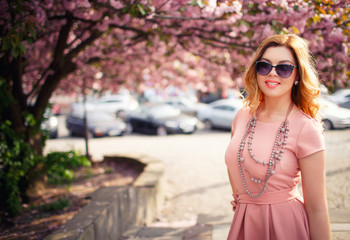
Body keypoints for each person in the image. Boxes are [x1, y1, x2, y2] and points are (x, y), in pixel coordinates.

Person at [225, 34, 331, 240]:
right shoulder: (242, 115)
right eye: (264, 65)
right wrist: (241, 197)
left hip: (286, 226)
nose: (272, 73)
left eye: (283, 68)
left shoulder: (306, 128)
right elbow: (234, 159)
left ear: (297, 75)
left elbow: (317, 208)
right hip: (244, 223)